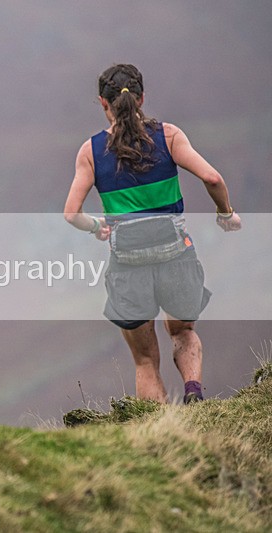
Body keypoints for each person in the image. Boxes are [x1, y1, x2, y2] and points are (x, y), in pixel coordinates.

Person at [64, 64, 242, 404]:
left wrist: (97, 227)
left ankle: (159, 429)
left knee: (145, 360)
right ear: (142, 98)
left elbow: (72, 213)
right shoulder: (168, 136)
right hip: (175, 253)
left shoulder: (91, 152)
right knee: (183, 331)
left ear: (103, 103)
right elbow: (212, 178)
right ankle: (193, 392)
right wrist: (225, 213)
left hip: (128, 264)